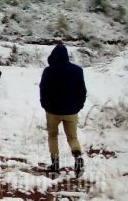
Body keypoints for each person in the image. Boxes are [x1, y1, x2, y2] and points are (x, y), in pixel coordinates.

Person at [40, 43, 87, 176]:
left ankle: (55, 166)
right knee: (72, 137)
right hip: (72, 111)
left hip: (53, 111)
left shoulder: (48, 71)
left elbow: (43, 89)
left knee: (53, 136)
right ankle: (77, 157)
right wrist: (79, 106)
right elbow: (82, 91)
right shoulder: (77, 70)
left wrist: (45, 105)